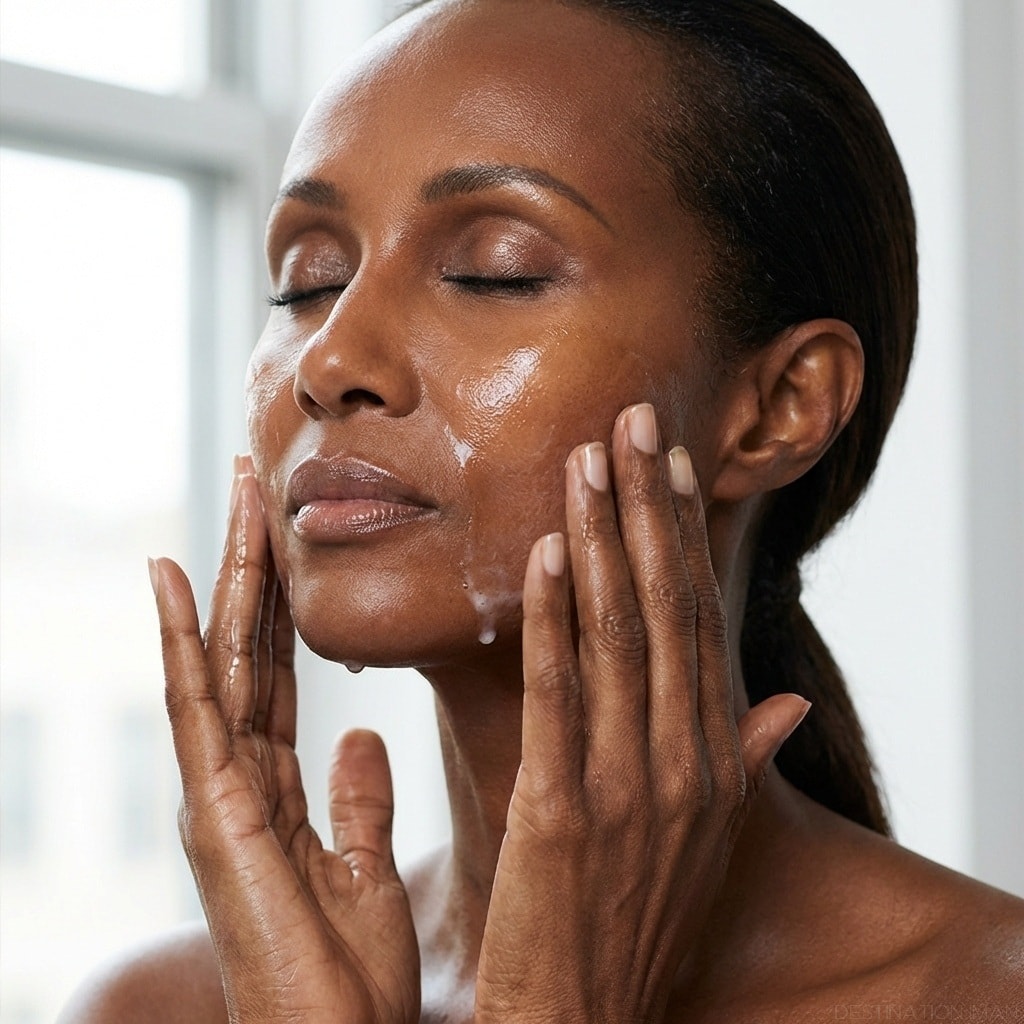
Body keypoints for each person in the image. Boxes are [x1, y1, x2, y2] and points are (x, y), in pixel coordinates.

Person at [61, 1, 1024, 1021]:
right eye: (309, 281)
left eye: (493, 273)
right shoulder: (161, 1006)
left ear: (779, 405)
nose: (332, 359)